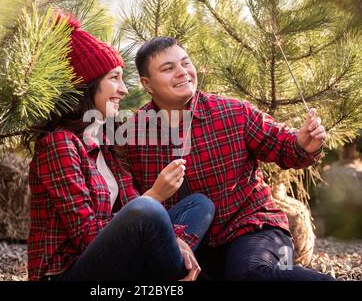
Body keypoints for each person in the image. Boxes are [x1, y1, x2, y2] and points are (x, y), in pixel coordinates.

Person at [125, 36, 335, 281]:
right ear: (147, 84)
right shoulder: (133, 134)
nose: (182, 72)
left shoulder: (232, 112)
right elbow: (132, 201)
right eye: (168, 68)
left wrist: (303, 144)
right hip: (189, 241)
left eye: (185, 63)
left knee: (249, 272)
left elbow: (284, 146)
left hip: (255, 229)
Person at [26, 15, 215, 281]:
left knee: (198, 204)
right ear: (87, 85)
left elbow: (129, 205)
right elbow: (86, 236)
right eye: (115, 78)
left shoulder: (106, 141)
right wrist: (154, 195)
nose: (124, 90)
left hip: (118, 264)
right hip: (68, 273)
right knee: (147, 209)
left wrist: (174, 240)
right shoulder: (59, 144)